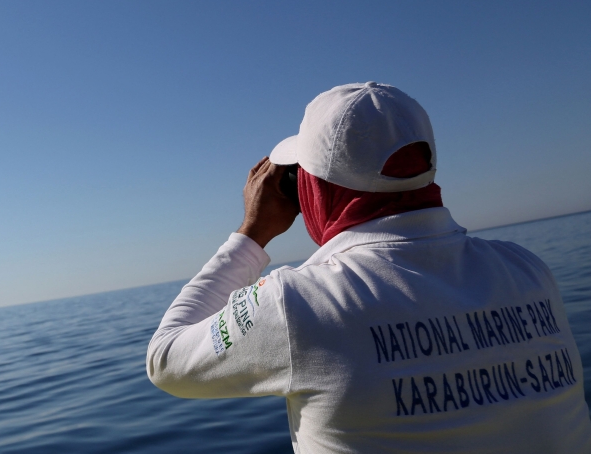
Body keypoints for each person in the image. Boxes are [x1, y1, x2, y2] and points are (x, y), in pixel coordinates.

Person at [146, 82, 591, 453]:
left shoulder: (297, 305)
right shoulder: (529, 271)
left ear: (313, 187)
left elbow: (165, 359)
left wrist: (251, 233)